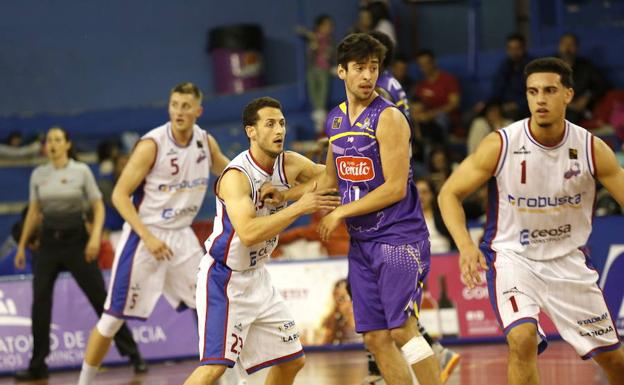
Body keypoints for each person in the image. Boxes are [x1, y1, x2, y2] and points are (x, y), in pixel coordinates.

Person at [438, 57, 624, 385]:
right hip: (514, 258)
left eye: (550, 90)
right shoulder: (502, 144)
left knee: (614, 361)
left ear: (568, 94)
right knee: (522, 338)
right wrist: (466, 246)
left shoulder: (592, 149)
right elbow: (448, 194)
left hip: (569, 263)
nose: (540, 99)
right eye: (533, 91)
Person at [269, 33, 442, 385]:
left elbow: (394, 188)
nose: (367, 76)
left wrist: (340, 213)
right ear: (341, 71)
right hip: (362, 243)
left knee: (403, 331)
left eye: (373, 68)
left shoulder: (389, 118)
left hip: (398, 237)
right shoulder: (335, 119)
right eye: (359, 68)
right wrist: (285, 196)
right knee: (376, 339)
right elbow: (330, 179)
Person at [77, 82, 231, 385]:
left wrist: (260, 182)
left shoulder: (205, 142)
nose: (179, 111)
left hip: (182, 237)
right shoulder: (152, 145)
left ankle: (224, 380)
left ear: (198, 111)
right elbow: (120, 195)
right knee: (112, 319)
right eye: (175, 105)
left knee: (209, 306)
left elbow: (229, 173)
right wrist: (147, 237)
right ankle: (83, 382)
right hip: (144, 235)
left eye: (186, 106)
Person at [182, 97, 340, 385]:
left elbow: (330, 179)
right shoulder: (236, 177)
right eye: (269, 124)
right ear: (250, 131)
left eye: (281, 123)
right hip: (224, 280)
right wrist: (300, 206)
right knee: (213, 369)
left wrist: (336, 144)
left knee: (293, 361)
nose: (279, 130)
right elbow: (250, 233)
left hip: (258, 279)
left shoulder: (289, 163)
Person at [13, 127, 144, 381]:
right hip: (49, 244)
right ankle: (37, 365)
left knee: (101, 299)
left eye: (57, 140)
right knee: (39, 302)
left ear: (67, 144)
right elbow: (33, 211)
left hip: (78, 243)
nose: (52, 144)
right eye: (49, 140)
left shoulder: (80, 171)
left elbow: (97, 205)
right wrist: (21, 246)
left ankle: (133, 355)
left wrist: (95, 237)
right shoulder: (39, 174)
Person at [556, 33, 610, 124]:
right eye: (564, 44)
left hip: (578, 110)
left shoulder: (586, 66)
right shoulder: (549, 66)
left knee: (571, 118)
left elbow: (602, 84)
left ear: (577, 48)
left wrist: (587, 96)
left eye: (571, 45)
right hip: (555, 106)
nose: (567, 48)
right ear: (559, 46)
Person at [296, 14, 335, 134]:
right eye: (326, 25)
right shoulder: (314, 37)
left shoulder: (329, 40)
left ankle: (321, 118)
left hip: (324, 70)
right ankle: (319, 116)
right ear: (319, 26)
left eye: (330, 26)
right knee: (314, 92)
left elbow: (330, 54)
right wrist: (313, 45)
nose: (329, 28)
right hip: (313, 69)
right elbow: (302, 33)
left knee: (322, 93)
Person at [412, 49, 461, 140]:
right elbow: (416, 105)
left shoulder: (448, 80)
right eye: (421, 65)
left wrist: (432, 114)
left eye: (426, 63)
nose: (424, 67)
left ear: (433, 62)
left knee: (439, 120)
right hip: (425, 120)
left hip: (446, 119)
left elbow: (454, 104)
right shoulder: (420, 85)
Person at [490, 33, 532, 120]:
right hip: (504, 105)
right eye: (510, 49)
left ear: (524, 48)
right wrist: (488, 104)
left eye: (517, 48)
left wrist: (517, 104)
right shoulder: (505, 65)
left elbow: (534, 93)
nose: (514, 52)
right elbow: (497, 89)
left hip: (525, 107)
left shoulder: (532, 66)